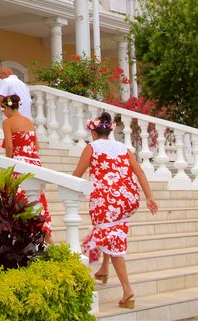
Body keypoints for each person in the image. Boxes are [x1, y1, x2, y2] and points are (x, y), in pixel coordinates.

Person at [73, 112, 158, 310]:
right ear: (109, 130)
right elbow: (140, 172)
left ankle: (127, 290)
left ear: (93, 132)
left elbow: (77, 175)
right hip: (127, 200)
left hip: (106, 202)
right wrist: (149, 197)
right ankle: (104, 269)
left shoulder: (91, 147)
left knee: (108, 238)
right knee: (113, 234)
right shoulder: (123, 148)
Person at [0, 94, 50, 237]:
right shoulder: (29, 122)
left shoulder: (8, 122)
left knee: (19, 199)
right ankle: (42, 232)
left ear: (8, 107)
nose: (3, 112)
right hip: (34, 162)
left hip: (19, 163)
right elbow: (37, 146)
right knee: (36, 199)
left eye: (3, 109)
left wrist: (8, 166)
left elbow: (9, 147)